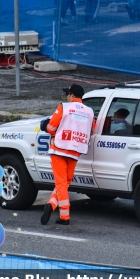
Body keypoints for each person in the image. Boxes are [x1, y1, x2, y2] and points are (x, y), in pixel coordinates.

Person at [41, 84, 95, 225]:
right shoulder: (89, 112)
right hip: (75, 152)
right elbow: (92, 130)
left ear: (71, 95)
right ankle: (51, 204)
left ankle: (64, 216)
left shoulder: (63, 107)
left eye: (67, 94)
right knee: (65, 183)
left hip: (59, 149)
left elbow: (51, 127)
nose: (66, 97)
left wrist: (46, 126)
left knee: (61, 183)